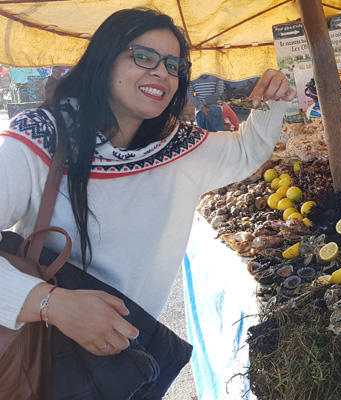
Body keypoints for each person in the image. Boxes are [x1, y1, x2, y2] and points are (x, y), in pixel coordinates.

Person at [0, 6, 295, 370]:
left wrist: (272, 101)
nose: (161, 72)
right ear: (104, 59)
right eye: (143, 56)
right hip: (34, 361)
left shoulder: (179, 145)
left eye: (174, 65)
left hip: (119, 365)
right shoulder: (42, 134)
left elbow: (246, 151)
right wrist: (50, 304)